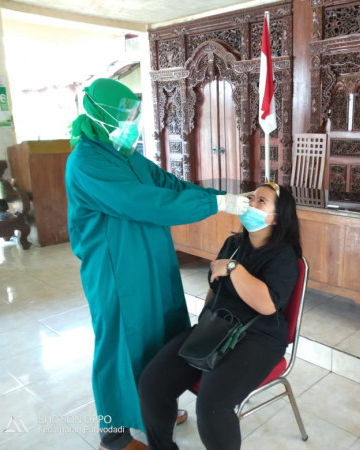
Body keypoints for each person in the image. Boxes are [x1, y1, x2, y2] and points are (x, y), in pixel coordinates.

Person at [65, 78, 249, 450]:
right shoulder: (86, 162)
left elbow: (168, 186)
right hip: (117, 270)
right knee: (121, 342)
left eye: (134, 115)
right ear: (100, 115)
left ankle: (155, 403)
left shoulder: (127, 155)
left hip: (152, 261)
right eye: (125, 116)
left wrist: (223, 198)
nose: (131, 124)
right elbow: (142, 202)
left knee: (161, 333)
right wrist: (215, 205)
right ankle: (114, 432)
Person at [138, 182, 302, 450]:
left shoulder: (283, 256)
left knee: (212, 407)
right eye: (251, 197)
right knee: (152, 383)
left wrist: (234, 268)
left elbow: (267, 304)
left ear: (276, 218)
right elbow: (214, 289)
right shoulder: (234, 244)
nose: (251, 203)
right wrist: (205, 322)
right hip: (217, 327)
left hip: (258, 338)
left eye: (261, 201)